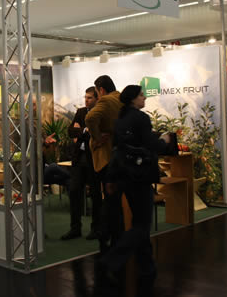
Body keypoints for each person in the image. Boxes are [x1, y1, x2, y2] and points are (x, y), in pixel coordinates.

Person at [100, 85, 171, 296]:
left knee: (141, 225)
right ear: (133, 99)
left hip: (126, 177)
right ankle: (111, 260)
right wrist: (164, 141)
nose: (144, 98)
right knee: (141, 225)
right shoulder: (141, 118)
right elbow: (152, 146)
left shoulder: (120, 120)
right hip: (141, 178)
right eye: (141, 95)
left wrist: (111, 178)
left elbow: (117, 151)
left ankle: (147, 268)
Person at [85, 75, 122, 249]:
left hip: (106, 156)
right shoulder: (121, 98)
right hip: (119, 155)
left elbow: (90, 118)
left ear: (101, 90)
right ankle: (116, 237)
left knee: (108, 199)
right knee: (116, 199)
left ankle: (105, 235)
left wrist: (97, 137)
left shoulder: (106, 100)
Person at [61, 86, 100, 240]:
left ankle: (96, 229)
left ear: (97, 98)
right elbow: (71, 131)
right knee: (74, 191)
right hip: (79, 159)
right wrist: (84, 131)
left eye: (90, 97)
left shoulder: (100, 113)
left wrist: (81, 131)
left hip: (94, 159)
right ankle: (75, 228)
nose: (86, 100)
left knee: (95, 195)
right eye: (85, 97)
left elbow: (97, 135)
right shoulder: (81, 112)